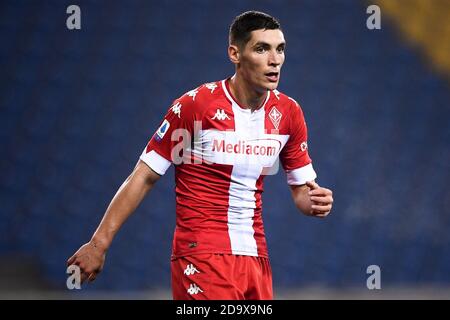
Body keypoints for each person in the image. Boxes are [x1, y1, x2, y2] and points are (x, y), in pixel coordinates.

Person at [67, 10, 333, 300]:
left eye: (280, 49)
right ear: (235, 53)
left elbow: (302, 192)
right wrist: (99, 243)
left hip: (255, 256)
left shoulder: (288, 114)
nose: (275, 59)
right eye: (261, 48)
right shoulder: (196, 107)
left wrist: (315, 202)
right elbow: (144, 176)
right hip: (202, 255)